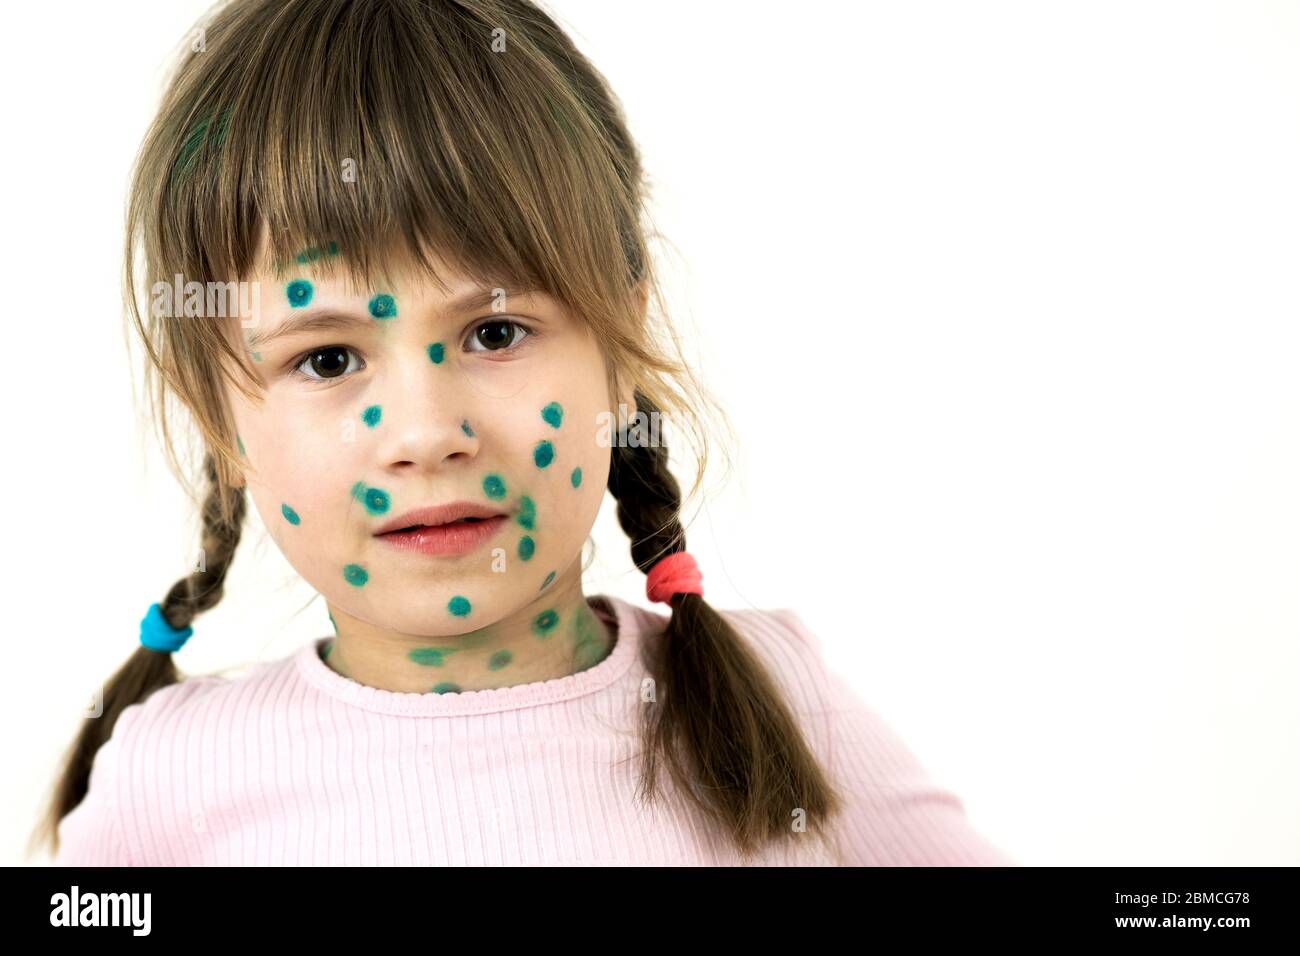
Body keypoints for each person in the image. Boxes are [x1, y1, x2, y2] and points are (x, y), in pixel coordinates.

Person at [36, 0, 1015, 866]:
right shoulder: (173, 777)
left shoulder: (776, 705)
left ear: (621, 343)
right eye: (327, 358)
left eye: (494, 332)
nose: (424, 433)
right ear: (217, 411)